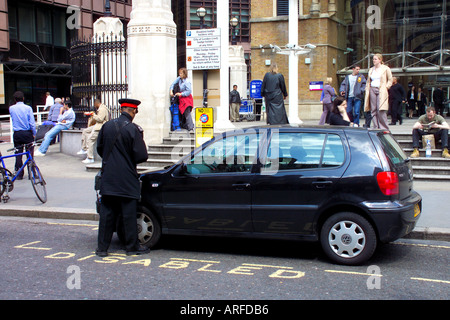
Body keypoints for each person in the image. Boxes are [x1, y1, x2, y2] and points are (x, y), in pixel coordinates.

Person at [95, 98, 149, 257]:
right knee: (128, 215)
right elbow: (141, 156)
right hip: (127, 178)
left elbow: (99, 148)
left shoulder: (107, 126)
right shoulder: (133, 129)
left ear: (121, 110)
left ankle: (102, 249)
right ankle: (132, 247)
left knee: (106, 215)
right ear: (133, 111)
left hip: (109, 177)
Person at [9, 91, 36, 180]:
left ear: (14, 99)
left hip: (17, 134)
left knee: (18, 153)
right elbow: (32, 123)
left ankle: (19, 174)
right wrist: (34, 133)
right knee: (30, 154)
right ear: (23, 98)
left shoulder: (11, 108)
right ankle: (32, 173)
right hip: (27, 133)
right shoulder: (28, 108)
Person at [363, 53, 393, 130]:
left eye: (375, 59)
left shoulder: (386, 68)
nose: (374, 60)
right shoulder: (371, 69)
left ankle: (384, 127)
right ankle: (376, 126)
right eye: (373, 59)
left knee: (381, 109)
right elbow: (368, 81)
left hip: (381, 89)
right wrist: (367, 89)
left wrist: (386, 87)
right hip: (372, 88)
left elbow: (390, 79)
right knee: (373, 109)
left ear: (380, 60)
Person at [77, 99, 109, 164]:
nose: (94, 106)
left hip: (99, 127)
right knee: (85, 131)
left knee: (90, 140)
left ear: (96, 103)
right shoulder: (101, 108)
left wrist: (93, 115)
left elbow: (100, 119)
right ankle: (84, 149)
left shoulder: (102, 109)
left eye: (94, 104)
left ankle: (90, 157)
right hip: (97, 126)